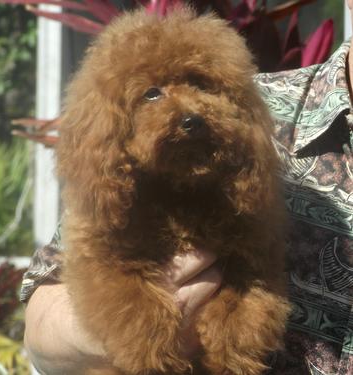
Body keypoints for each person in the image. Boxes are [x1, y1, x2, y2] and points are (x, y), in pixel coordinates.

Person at [21, 2, 353, 373]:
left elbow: (257, 277)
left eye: (199, 84)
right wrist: (124, 331)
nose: (190, 110)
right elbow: (42, 319)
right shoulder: (278, 103)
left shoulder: (244, 115)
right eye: (151, 94)